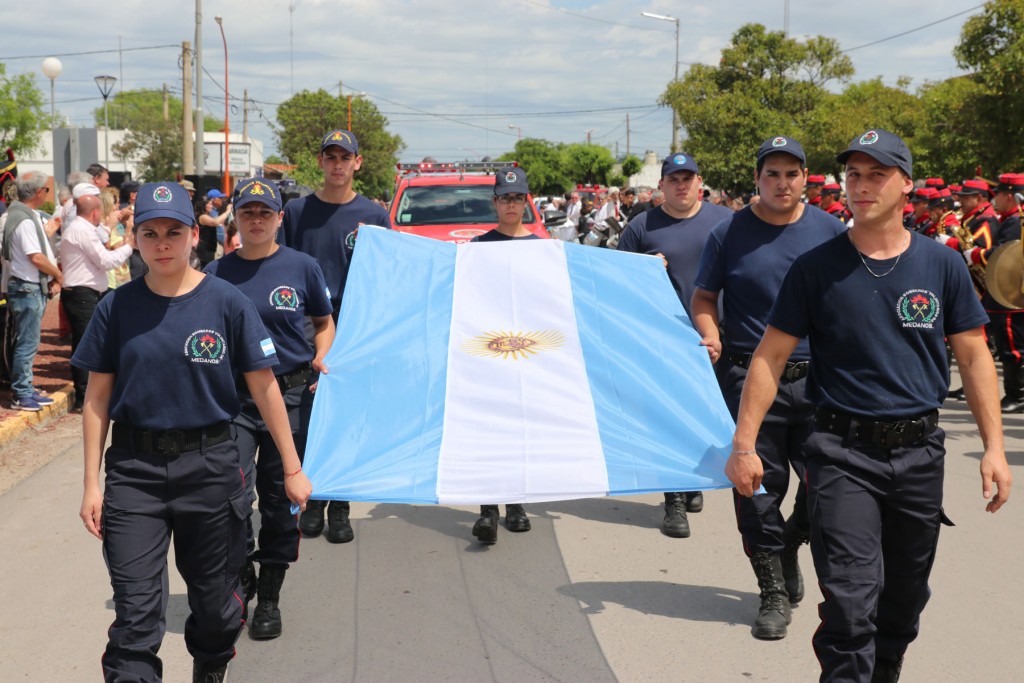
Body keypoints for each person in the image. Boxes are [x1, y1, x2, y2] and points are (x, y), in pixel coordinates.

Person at [726, 129, 1011, 682]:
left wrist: (994, 448)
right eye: (853, 174)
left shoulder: (942, 264)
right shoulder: (815, 267)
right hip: (841, 454)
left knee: (902, 603)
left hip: (919, 456)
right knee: (850, 607)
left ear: (906, 184)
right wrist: (744, 444)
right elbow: (770, 356)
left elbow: (975, 357)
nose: (861, 185)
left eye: (877, 174)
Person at [74, 181, 312, 682]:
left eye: (174, 232)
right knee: (136, 614)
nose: (162, 243)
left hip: (210, 469)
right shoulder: (116, 307)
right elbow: (96, 400)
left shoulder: (227, 302)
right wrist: (91, 483)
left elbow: (265, 387)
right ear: (135, 239)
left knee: (215, 606)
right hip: (134, 474)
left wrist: (292, 469)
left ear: (194, 237)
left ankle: (210, 666)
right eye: (150, 233)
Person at [692, 136, 847, 640]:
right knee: (756, 489)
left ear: (805, 178)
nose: (782, 183)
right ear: (757, 179)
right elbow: (704, 297)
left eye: (792, 174)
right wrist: (711, 333)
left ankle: (792, 541)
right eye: (772, 174)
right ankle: (771, 591)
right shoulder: (728, 233)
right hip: (750, 380)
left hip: (820, 382)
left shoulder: (831, 231)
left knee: (828, 487)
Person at [206, 177, 334, 640]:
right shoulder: (215, 273)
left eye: (265, 212)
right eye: (247, 212)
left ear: (280, 218)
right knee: (231, 499)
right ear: (236, 219)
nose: (256, 220)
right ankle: (244, 573)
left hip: (292, 398)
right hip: (236, 403)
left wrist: (323, 355)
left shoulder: (302, 267)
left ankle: (270, 597)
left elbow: (323, 321)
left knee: (281, 503)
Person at [281, 128, 391, 544]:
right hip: (306, 324)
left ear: (357, 163)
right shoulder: (296, 211)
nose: (338, 164)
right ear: (321, 162)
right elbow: (282, 265)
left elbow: (385, 278)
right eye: (331, 157)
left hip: (354, 326)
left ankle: (341, 503)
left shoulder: (374, 216)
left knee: (347, 415)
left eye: (346, 157)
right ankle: (314, 497)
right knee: (308, 416)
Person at [618, 152, 732, 538]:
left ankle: (692, 479)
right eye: (674, 179)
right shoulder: (641, 227)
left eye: (688, 178)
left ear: (699, 182)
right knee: (669, 419)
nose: (681, 185)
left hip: (715, 336)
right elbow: (618, 283)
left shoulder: (724, 220)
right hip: (662, 339)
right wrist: (644, 270)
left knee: (706, 415)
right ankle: (674, 501)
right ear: (661, 185)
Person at [461, 166, 540, 543]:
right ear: (494, 202)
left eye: (518, 198)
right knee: (488, 431)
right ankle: (488, 509)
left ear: (527, 202)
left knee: (521, 430)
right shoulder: (477, 248)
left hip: (529, 353)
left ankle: (517, 503)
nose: (512, 204)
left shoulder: (543, 248)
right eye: (505, 198)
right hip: (488, 354)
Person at [59, 190, 134, 411]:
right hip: (82, 295)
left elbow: (102, 242)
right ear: (95, 212)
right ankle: (83, 398)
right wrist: (130, 246)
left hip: (83, 294)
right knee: (85, 344)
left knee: (86, 342)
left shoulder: (82, 228)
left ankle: (85, 395)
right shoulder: (82, 230)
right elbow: (105, 261)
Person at [2, 172, 61, 411]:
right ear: (38, 192)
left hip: (26, 287)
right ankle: (22, 393)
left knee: (26, 342)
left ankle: (25, 388)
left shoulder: (20, 215)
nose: (47, 193)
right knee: (27, 343)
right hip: (27, 288)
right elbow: (35, 256)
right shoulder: (24, 220)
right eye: (46, 189)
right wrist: (58, 274)